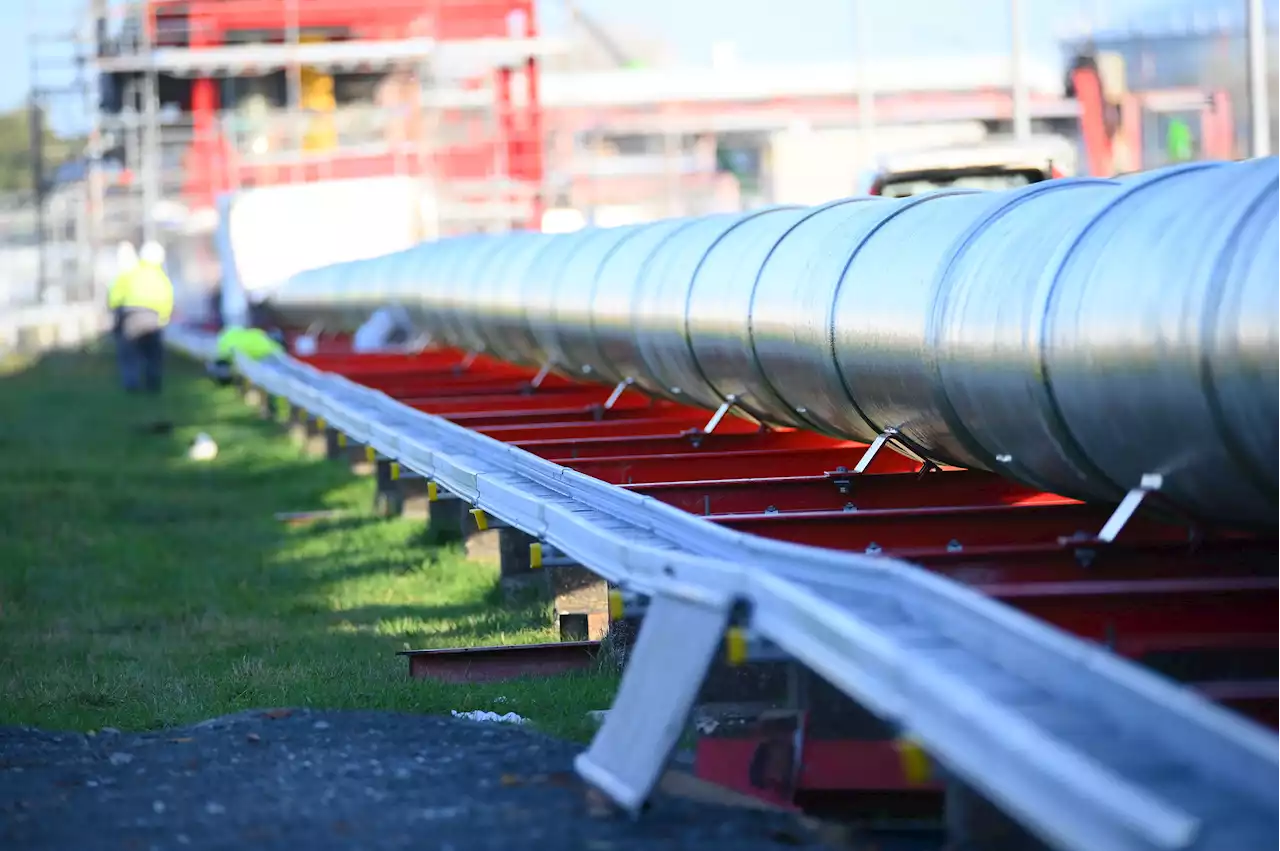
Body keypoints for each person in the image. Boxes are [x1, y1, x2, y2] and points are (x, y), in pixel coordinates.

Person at [107, 240, 174, 394]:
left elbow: (116, 293)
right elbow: (167, 299)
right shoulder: (161, 277)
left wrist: (116, 311)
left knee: (129, 353)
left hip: (132, 316)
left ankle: (132, 384)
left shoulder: (131, 272)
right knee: (153, 354)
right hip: (153, 317)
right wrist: (163, 319)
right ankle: (153, 383)